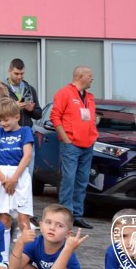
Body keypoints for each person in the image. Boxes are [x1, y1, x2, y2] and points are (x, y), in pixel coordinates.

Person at [0, 98, 34, 262]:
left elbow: (27, 156)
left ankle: (26, 257)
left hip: (19, 175)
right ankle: (4, 258)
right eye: (0, 120)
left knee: (23, 218)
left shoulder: (25, 131)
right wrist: (2, 179)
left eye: (6, 120)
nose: (2, 123)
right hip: (1, 175)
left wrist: (13, 179)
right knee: (4, 218)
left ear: (16, 117)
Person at [51, 66, 99, 230]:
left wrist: (93, 137)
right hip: (71, 145)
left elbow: (91, 119)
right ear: (80, 76)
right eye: (90, 75)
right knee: (69, 180)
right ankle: (66, 216)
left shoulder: (90, 97)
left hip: (87, 145)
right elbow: (55, 117)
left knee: (82, 181)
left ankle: (77, 216)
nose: (92, 78)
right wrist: (65, 139)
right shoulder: (64, 93)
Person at [4, 58, 42, 129]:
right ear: (9, 71)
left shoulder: (30, 89)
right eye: (16, 73)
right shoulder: (1, 89)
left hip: (26, 131)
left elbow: (39, 115)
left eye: (22, 74)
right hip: (9, 132)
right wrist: (13, 108)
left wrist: (31, 110)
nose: (19, 77)